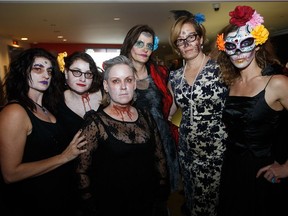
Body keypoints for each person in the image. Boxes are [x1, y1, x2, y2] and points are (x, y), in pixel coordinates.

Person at [214, 5, 288, 216]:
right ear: (224, 48)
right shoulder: (231, 83)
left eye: (245, 43)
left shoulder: (277, 83)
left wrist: (286, 167)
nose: (238, 51)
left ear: (257, 44)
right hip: (232, 167)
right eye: (231, 45)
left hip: (262, 170)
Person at [76, 55, 169, 216]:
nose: (123, 86)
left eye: (128, 80)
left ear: (134, 84)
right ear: (106, 85)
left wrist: (160, 196)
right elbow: (81, 171)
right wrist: (91, 205)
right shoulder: (95, 123)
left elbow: (159, 157)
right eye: (116, 81)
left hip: (147, 203)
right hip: (111, 205)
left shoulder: (146, 116)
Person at [0, 48, 87, 216]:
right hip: (31, 204)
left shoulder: (48, 109)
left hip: (59, 201)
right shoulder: (14, 112)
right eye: (37, 69)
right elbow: (10, 174)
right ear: (23, 73)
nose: (46, 75)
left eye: (49, 71)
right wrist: (64, 157)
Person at [168, 12, 228, 216]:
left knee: (214, 203)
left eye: (190, 37)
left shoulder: (221, 69)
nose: (185, 43)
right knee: (193, 199)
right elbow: (178, 107)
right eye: (180, 40)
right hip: (187, 151)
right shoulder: (175, 77)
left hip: (216, 152)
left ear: (200, 38)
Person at [120, 24, 180, 197]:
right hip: (132, 143)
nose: (145, 49)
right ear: (129, 44)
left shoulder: (159, 73)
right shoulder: (117, 73)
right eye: (139, 43)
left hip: (162, 139)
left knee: (161, 195)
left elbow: (171, 103)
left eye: (148, 45)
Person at [56, 51, 103, 215]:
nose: (83, 79)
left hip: (104, 171)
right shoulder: (54, 101)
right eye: (76, 72)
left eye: (88, 73)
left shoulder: (106, 94)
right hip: (69, 174)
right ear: (66, 72)